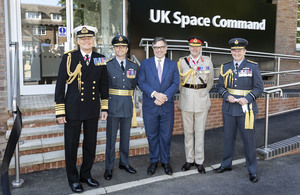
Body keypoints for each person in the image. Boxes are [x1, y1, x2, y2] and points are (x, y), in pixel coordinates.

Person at [55, 25, 109, 193]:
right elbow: (60, 85)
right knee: (71, 145)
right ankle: (73, 179)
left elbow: (103, 85)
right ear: (77, 41)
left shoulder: (100, 58)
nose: (86, 41)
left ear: (94, 40)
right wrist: (60, 110)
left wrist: (104, 107)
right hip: (73, 108)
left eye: (89, 38)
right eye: (83, 39)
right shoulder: (69, 57)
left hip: (92, 108)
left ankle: (85, 175)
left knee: (90, 144)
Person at [213, 38, 264, 183]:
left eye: (239, 50)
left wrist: (247, 98)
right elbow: (220, 86)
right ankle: (226, 164)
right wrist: (226, 95)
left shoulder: (253, 67)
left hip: (246, 109)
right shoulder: (225, 67)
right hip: (229, 108)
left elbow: (259, 88)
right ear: (231, 51)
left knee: (249, 141)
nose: (236, 52)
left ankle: (252, 170)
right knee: (228, 138)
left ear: (244, 51)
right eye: (234, 50)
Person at [138, 37, 179, 176]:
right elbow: (141, 83)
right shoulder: (145, 63)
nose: (159, 50)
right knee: (152, 135)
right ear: (153, 49)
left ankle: (166, 162)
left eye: (161, 47)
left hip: (166, 107)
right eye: (156, 47)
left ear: (166, 48)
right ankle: (154, 161)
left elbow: (175, 84)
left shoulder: (173, 64)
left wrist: (164, 97)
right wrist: (155, 94)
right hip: (150, 106)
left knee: (166, 136)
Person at [177, 36, 214, 174]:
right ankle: (189, 160)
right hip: (186, 99)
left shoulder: (208, 61)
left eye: (197, 46)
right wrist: (187, 92)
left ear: (201, 48)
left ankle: (199, 161)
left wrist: (201, 92)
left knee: (200, 132)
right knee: (188, 132)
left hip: (202, 100)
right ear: (189, 47)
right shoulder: (182, 62)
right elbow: (180, 81)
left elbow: (210, 82)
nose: (194, 49)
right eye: (192, 46)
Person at [104, 35, 138, 180]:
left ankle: (124, 163)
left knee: (125, 137)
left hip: (127, 105)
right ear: (113, 48)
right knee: (111, 138)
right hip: (112, 105)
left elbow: (135, 85)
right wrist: (103, 107)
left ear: (127, 49)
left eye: (123, 46)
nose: (120, 49)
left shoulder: (133, 66)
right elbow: (103, 87)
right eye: (117, 46)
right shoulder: (107, 65)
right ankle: (109, 167)